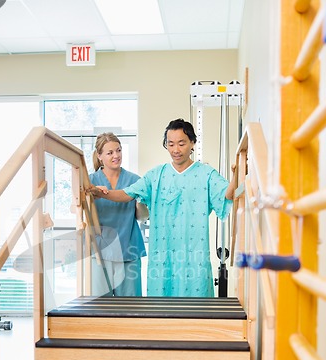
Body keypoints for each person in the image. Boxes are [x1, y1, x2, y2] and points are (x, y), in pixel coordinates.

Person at [88, 118, 236, 297]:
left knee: (196, 302)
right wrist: (101, 193)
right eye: (171, 144)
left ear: (192, 143)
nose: (176, 149)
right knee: (160, 304)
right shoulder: (155, 175)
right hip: (162, 255)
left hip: (193, 253)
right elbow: (126, 194)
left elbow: (226, 194)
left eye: (181, 143)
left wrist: (236, 176)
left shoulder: (207, 174)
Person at [89, 132, 147, 296]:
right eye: (110, 153)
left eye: (119, 150)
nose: (116, 155)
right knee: (100, 308)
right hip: (100, 251)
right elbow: (76, 208)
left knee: (130, 309)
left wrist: (140, 202)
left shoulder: (135, 180)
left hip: (128, 249)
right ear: (100, 156)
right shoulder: (90, 181)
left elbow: (142, 217)